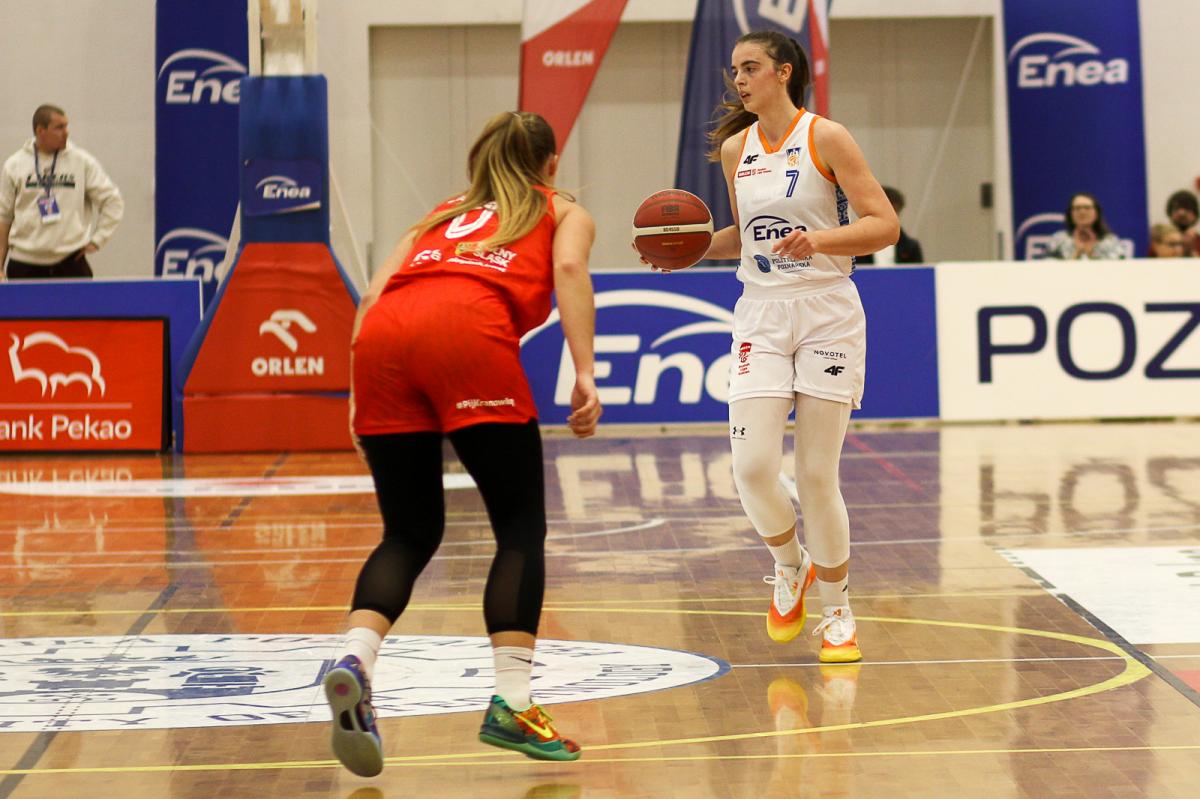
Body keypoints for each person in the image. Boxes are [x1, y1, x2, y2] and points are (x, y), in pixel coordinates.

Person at [322, 111, 600, 777]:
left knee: (408, 532)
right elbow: (568, 267)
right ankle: (513, 702)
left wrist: (358, 394)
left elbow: (373, 292)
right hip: (465, 332)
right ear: (551, 164)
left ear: (481, 160)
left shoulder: (438, 215)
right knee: (519, 530)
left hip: (382, 343)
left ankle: (355, 657)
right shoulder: (562, 209)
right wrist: (585, 370)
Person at [693, 31, 898, 664]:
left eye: (750, 68)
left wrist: (822, 239)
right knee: (752, 468)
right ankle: (791, 565)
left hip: (826, 312)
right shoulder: (737, 150)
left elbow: (884, 225)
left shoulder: (826, 137)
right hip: (761, 312)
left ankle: (838, 612)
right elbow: (746, 236)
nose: (738, 80)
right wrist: (689, 248)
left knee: (814, 475)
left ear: (784, 72)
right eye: (734, 70)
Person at [0, 104, 123, 280]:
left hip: (70, 261)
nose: (66, 132)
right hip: (25, 263)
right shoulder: (15, 165)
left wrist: (98, 239)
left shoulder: (82, 162)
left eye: (66, 126)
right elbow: (4, 218)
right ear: (40, 131)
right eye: (59, 127)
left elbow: (112, 201)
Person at [1039, 192, 1124, 260]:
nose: (1082, 212)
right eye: (1077, 208)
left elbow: (1121, 269)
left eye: (1087, 208)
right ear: (1070, 213)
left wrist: (1091, 254)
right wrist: (1077, 254)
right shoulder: (1058, 240)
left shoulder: (1110, 241)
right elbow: (1045, 269)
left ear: (1097, 212)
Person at [856, 186, 923, 265]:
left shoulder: (910, 247)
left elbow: (918, 272)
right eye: (884, 212)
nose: (890, 217)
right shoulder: (856, 245)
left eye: (895, 212)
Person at [1166, 189, 1200, 257]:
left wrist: (1190, 250)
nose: (1181, 213)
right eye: (1176, 208)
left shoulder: (1198, 241)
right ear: (1170, 213)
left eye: (1187, 208)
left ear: (1195, 215)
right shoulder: (1161, 242)